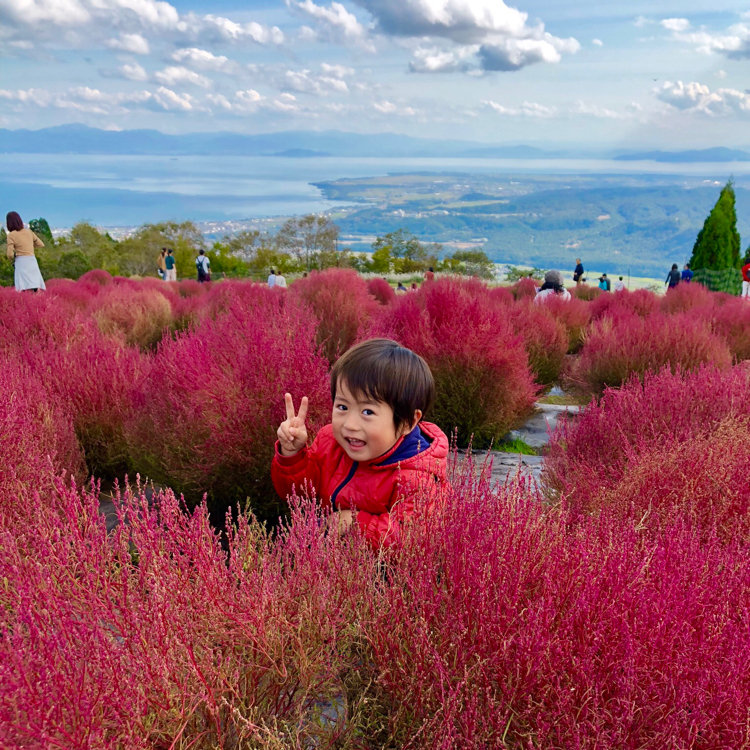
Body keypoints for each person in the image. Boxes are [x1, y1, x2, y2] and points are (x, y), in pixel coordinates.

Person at [271, 338, 449, 550]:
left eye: (367, 412)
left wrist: (355, 523)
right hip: (326, 560)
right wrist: (292, 455)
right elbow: (298, 496)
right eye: (343, 407)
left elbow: (410, 541)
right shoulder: (330, 441)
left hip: (380, 577)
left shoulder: (417, 477)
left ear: (407, 422)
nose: (350, 424)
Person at [5, 211, 46, 292]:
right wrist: (29, 246)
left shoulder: (11, 235)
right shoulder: (29, 232)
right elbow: (41, 244)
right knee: (35, 285)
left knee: (22, 286)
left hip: (21, 262)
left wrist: (14, 256)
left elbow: (9, 254)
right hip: (32, 261)